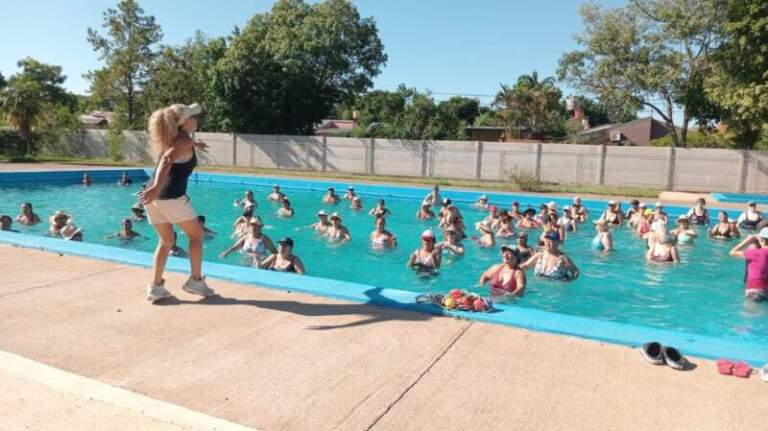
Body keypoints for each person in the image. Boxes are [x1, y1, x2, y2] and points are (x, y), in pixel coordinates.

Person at [139, 102, 215, 302]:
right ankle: (196, 281)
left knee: (166, 241)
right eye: (194, 117)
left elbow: (173, 153)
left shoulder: (175, 139)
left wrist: (195, 145)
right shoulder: (182, 141)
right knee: (197, 235)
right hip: (168, 196)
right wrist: (157, 187)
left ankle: (156, 287)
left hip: (152, 198)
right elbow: (166, 161)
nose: (197, 120)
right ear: (186, 122)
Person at [729, 229, 768, 301]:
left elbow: (732, 252)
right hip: (766, 288)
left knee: (750, 311)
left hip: (755, 289)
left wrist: (748, 240)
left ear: (762, 240)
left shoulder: (755, 252)